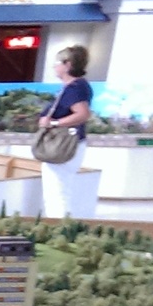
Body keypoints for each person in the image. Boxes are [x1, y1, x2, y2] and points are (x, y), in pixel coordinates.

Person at [38, 44, 94, 220]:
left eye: (57, 63)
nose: (54, 67)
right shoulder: (80, 86)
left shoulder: (74, 88)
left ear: (68, 64)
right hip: (73, 143)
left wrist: (54, 123)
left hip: (63, 146)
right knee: (61, 190)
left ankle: (59, 226)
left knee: (56, 192)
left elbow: (83, 114)